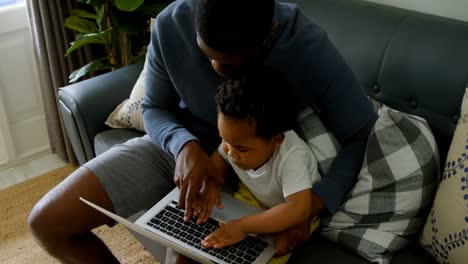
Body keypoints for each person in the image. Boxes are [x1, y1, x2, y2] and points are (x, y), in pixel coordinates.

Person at [27, 0, 377, 263]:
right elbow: (154, 108)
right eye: (207, 55)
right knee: (48, 222)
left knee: (184, 255)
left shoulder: (305, 45)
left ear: (269, 32)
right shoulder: (171, 23)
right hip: (177, 146)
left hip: (251, 167)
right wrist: (184, 146)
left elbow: (361, 132)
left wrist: (310, 209)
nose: (216, 70)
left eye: (232, 63)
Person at [194, 67, 321, 264]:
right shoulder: (234, 140)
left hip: (289, 206)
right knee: (222, 240)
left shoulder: (291, 157)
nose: (230, 152)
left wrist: (244, 226)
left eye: (241, 149)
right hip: (252, 192)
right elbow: (219, 158)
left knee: (272, 251)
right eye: (224, 140)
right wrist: (210, 184)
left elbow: (299, 209)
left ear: (276, 141)